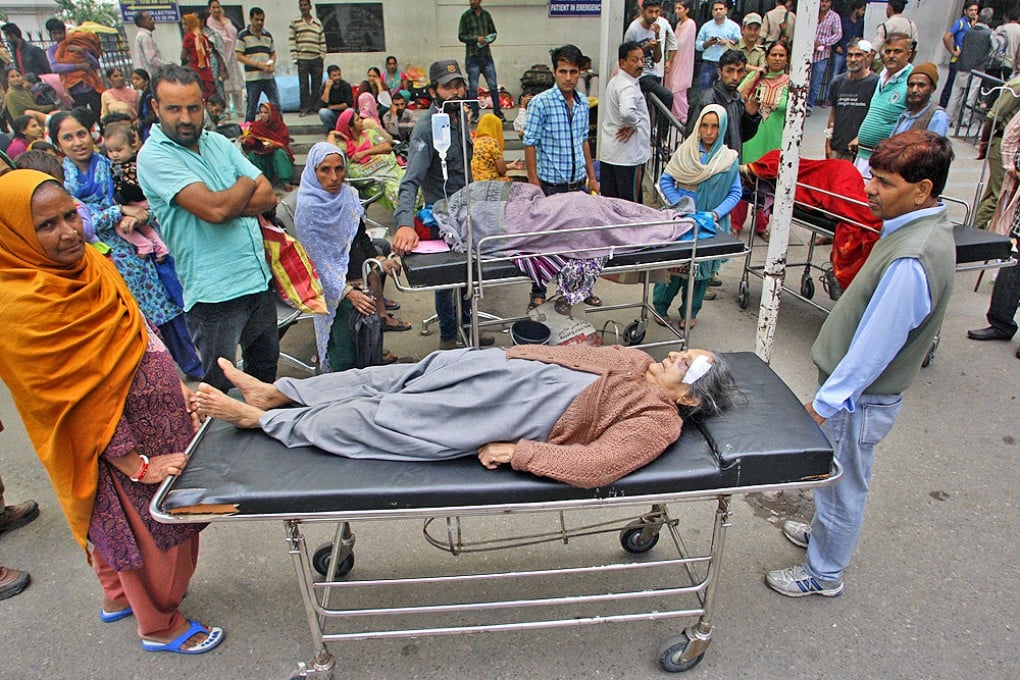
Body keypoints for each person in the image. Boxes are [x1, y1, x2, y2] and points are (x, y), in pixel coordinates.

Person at [0, 169, 223, 652]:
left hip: (155, 426)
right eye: (47, 225)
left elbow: (138, 330)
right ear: (13, 231)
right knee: (150, 535)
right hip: (118, 452)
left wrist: (178, 383)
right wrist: (136, 465)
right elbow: (70, 403)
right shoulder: (18, 304)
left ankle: (119, 596)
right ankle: (159, 627)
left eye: (69, 216)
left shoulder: (90, 267)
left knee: (119, 533)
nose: (67, 233)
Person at [765, 130, 957, 598]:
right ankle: (825, 541)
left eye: (885, 182)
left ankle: (825, 573)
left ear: (922, 190)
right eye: (872, 176)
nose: (870, 188)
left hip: (859, 400)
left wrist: (825, 403)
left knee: (843, 484)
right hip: (856, 396)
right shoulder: (912, 233)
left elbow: (875, 348)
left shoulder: (913, 256)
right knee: (837, 483)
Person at [193, 345, 737, 488]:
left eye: (684, 365)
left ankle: (261, 421)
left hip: (500, 409)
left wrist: (519, 453)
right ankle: (281, 392)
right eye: (683, 353)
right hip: (493, 368)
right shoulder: (642, 365)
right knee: (385, 377)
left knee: (383, 419)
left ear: (689, 398)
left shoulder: (658, 419)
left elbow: (598, 465)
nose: (674, 356)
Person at [137, 65, 279, 391]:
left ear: (203, 104)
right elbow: (215, 210)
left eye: (193, 107)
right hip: (213, 295)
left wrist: (229, 202)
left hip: (256, 280)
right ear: (156, 108)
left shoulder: (216, 141)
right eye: (174, 108)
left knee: (264, 377)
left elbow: (268, 194)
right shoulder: (154, 156)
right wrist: (245, 182)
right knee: (220, 391)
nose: (185, 118)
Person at [52, 109, 202, 380]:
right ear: (57, 144)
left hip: (143, 256)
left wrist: (138, 212)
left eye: (81, 134)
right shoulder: (60, 184)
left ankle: (193, 369)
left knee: (169, 314)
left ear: (92, 134)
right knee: (130, 326)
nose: (77, 142)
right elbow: (78, 225)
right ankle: (155, 380)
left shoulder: (114, 164)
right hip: (103, 263)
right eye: (68, 137)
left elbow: (148, 200)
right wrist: (118, 211)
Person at [392, 59, 494, 350]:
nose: (455, 91)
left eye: (458, 84)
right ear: (434, 90)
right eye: (447, 87)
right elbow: (410, 180)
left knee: (468, 276)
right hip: (441, 217)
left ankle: (468, 329)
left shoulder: (458, 117)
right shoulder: (426, 128)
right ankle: (449, 337)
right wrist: (403, 224)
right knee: (447, 277)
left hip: (467, 213)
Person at [293, 144, 404, 371]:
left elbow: (359, 236)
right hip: (332, 289)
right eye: (325, 170)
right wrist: (347, 293)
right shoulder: (308, 209)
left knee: (366, 343)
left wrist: (379, 261)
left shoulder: (347, 196)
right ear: (313, 172)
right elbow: (317, 263)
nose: (334, 177)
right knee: (344, 356)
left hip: (356, 276)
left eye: (339, 169)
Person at [523, 44, 601, 309]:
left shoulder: (581, 104)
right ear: (555, 72)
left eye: (573, 72)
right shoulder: (541, 103)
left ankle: (580, 288)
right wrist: (534, 183)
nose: (568, 77)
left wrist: (592, 177)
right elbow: (530, 143)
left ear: (580, 73)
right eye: (563, 71)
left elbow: (584, 142)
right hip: (549, 185)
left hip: (577, 184)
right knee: (545, 241)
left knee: (580, 239)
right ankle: (538, 290)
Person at [653, 105, 741, 330]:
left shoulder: (728, 159)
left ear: (721, 129)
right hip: (683, 221)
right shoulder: (686, 152)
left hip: (710, 224)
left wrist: (714, 214)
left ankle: (690, 311)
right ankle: (659, 308)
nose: (709, 132)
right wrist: (684, 208)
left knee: (701, 273)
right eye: (705, 125)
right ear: (698, 126)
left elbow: (735, 192)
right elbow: (666, 181)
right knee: (673, 268)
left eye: (715, 127)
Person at [104, 123, 170, 259]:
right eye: (110, 151)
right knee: (146, 228)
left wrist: (118, 200)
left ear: (132, 146)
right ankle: (161, 249)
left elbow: (135, 189)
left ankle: (144, 245)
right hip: (139, 205)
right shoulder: (117, 165)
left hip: (138, 203)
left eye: (118, 150)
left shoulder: (132, 166)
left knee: (121, 226)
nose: (114, 155)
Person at [852, 33, 913, 178]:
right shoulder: (882, 76)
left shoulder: (912, 81)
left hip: (885, 161)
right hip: (863, 154)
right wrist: (860, 137)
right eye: (888, 51)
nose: (891, 56)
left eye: (897, 51)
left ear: (908, 54)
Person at [686, 49, 761, 162]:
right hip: (710, 168)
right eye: (729, 71)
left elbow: (741, 136)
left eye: (739, 71)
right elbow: (692, 136)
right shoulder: (707, 100)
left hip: (731, 165)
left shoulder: (738, 98)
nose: (735, 77)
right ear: (720, 72)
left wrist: (750, 116)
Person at [599, 41, 650, 204]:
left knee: (611, 203)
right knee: (631, 207)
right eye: (634, 60)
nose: (640, 64)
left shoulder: (615, 81)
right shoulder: (627, 87)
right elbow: (627, 112)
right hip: (629, 156)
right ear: (622, 62)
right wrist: (634, 124)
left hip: (611, 153)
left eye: (642, 59)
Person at [329, 108, 404, 211]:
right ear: (350, 127)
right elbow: (330, 154)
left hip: (390, 172)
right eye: (357, 119)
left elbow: (387, 147)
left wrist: (365, 152)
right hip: (371, 181)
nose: (361, 120)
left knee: (410, 186)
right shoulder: (343, 144)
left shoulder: (370, 134)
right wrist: (332, 134)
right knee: (397, 191)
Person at [974, 71, 1020, 229]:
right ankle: (975, 232)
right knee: (997, 195)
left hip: (1003, 143)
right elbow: (993, 117)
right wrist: (984, 142)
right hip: (1003, 144)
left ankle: (976, 229)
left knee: (993, 194)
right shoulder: (1017, 85)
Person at [826, 38, 878, 162]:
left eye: (858, 55)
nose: (853, 59)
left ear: (868, 57)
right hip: (837, 146)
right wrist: (828, 142)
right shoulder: (837, 82)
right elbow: (833, 113)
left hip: (862, 150)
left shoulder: (876, 83)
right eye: (850, 55)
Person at [740, 40, 790, 164]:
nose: (777, 59)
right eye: (773, 55)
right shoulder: (754, 76)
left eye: (781, 55)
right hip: (750, 140)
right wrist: (756, 77)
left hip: (776, 141)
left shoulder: (792, 84)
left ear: (787, 59)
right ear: (767, 57)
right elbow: (737, 97)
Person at [623, 0, 677, 111]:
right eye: (650, 12)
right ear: (643, 11)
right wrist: (645, 47)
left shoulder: (657, 27)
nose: (654, 16)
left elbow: (657, 59)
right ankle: (663, 129)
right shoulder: (634, 29)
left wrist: (657, 39)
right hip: (639, 75)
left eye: (657, 12)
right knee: (667, 96)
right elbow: (625, 55)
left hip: (653, 74)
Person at [945, 7, 994, 128]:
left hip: (962, 65)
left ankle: (949, 117)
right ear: (990, 20)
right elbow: (995, 48)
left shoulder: (969, 31)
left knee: (956, 94)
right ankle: (965, 120)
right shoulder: (990, 34)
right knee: (971, 95)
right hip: (977, 69)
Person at [458, 0, 505, 124]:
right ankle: (475, 113)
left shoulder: (486, 15)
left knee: (493, 86)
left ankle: (498, 112)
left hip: (486, 56)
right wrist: (476, 38)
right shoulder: (466, 16)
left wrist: (488, 39)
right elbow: (461, 36)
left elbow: (494, 32)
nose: (472, 1)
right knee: (473, 87)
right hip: (472, 56)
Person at [45, 18, 103, 114]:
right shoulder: (52, 50)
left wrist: (82, 51)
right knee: (81, 117)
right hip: (73, 91)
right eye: (55, 34)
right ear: (51, 35)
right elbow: (55, 68)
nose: (58, 36)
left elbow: (95, 64)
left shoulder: (77, 43)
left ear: (65, 32)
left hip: (91, 86)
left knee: (99, 114)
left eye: (60, 33)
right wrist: (79, 66)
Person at [236, 7, 279, 123]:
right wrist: (257, 64)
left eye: (262, 20)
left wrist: (271, 64)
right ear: (250, 19)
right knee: (251, 107)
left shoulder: (267, 35)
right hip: (253, 78)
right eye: (257, 19)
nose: (259, 23)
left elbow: (273, 53)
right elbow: (239, 56)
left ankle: (279, 131)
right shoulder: (243, 35)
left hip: (268, 77)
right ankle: (248, 133)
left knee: (276, 105)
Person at [241, 101, 295, 192]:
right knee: (252, 154)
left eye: (266, 113)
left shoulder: (279, 126)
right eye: (261, 112)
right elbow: (252, 142)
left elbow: (284, 142)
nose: (262, 115)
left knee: (280, 153)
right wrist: (246, 141)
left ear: (272, 114)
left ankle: (285, 181)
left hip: (273, 154)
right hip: (261, 154)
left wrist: (274, 144)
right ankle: (261, 180)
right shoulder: (256, 125)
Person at [206, 0, 244, 120]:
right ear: (209, 9)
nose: (216, 10)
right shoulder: (209, 22)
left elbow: (233, 34)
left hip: (231, 56)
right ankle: (226, 109)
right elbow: (216, 39)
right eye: (214, 7)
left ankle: (239, 109)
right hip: (220, 57)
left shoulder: (226, 20)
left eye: (218, 7)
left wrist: (223, 21)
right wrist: (225, 39)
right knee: (224, 85)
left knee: (236, 83)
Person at [890, 63, 948, 137]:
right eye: (911, 85)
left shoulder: (937, 116)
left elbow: (935, 147)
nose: (914, 90)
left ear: (932, 89)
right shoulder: (905, 115)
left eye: (921, 85)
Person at [939, 2, 979, 109]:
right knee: (951, 85)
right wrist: (952, 50)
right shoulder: (960, 23)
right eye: (971, 10)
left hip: (965, 60)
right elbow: (947, 37)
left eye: (975, 10)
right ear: (965, 11)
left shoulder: (972, 24)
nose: (974, 13)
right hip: (957, 59)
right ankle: (942, 107)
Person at [289, 0, 326, 117]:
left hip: (316, 58)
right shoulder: (295, 22)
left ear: (310, 7)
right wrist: (295, 57)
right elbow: (292, 40)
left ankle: (315, 107)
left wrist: (322, 55)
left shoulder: (317, 23)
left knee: (317, 84)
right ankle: (304, 108)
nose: (303, 7)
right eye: (301, 5)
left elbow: (322, 40)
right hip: (303, 58)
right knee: (304, 85)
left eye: (305, 5)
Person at [695, 2, 741, 92]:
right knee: (705, 92)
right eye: (716, 9)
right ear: (712, 12)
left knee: (725, 92)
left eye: (721, 9)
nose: (718, 11)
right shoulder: (706, 26)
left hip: (727, 65)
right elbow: (697, 46)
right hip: (708, 64)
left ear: (726, 10)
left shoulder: (734, 27)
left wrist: (726, 42)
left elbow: (740, 45)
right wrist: (707, 43)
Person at [664, 0, 696, 123]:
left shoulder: (690, 24)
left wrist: (670, 59)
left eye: (680, 8)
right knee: (672, 88)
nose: (677, 11)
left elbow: (678, 44)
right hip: (674, 60)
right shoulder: (678, 24)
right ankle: (675, 118)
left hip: (682, 61)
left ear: (687, 10)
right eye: (676, 8)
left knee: (678, 90)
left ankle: (684, 118)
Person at [807, 0, 842, 114]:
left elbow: (838, 35)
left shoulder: (834, 17)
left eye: (826, 1)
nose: (823, 3)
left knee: (816, 81)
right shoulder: (810, 13)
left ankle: (809, 105)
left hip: (822, 55)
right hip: (806, 53)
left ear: (830, 3)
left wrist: (822, 42)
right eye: (821, 1)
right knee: (803, 79)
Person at [828, 0, 866, 96]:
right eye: (862, 9)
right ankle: (829, 97)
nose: (863, 12)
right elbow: (836, 33)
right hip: (840, 52)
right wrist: (836, 47)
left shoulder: (861, 22)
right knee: (834, 76)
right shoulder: (843, 20)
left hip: (851, 52)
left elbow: (860, 36)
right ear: (856, 9)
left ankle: (841, 96)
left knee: (847, 77)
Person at [472, 112, 521, 181]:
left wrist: (511, 165)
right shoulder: (492, 143)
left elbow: (486, 167)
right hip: (490, 183)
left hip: (474, 182)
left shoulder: (473, 141)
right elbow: (502, 170)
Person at [180, 13, 217, 102]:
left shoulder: (189, 37)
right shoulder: (203, 37)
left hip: (195, 70)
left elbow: (183, 56)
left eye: (185, 24)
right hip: (207, 70)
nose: (183, 27)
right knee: (209, 95)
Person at [318, 65, 354, 131]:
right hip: (332, 114)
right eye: (334, 75)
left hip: (344, 113)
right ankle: (333, 130)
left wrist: (332, 107)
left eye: (339, 74)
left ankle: (346, 129)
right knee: (322, 112)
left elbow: (348, 104)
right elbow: (323, 105)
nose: (337, 77)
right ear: (329, 77)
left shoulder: (346, 85)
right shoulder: (324, 86)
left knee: (350, 111)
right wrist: (327, 89)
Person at [132, 12, 164, 77]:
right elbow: (152, 60)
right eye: (150, 19)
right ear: (142, 23)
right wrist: (167, 66)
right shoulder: (145, 37)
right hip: (151, 76)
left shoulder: (140, 35)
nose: (153, 21)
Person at [133, 68, 157, 142]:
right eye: (133, 79)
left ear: (146, 81)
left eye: (137, 79)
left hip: (151, 129)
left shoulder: (149, 95)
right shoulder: (144, 94)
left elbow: (152, 115)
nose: (134, 82)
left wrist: (140, 123)